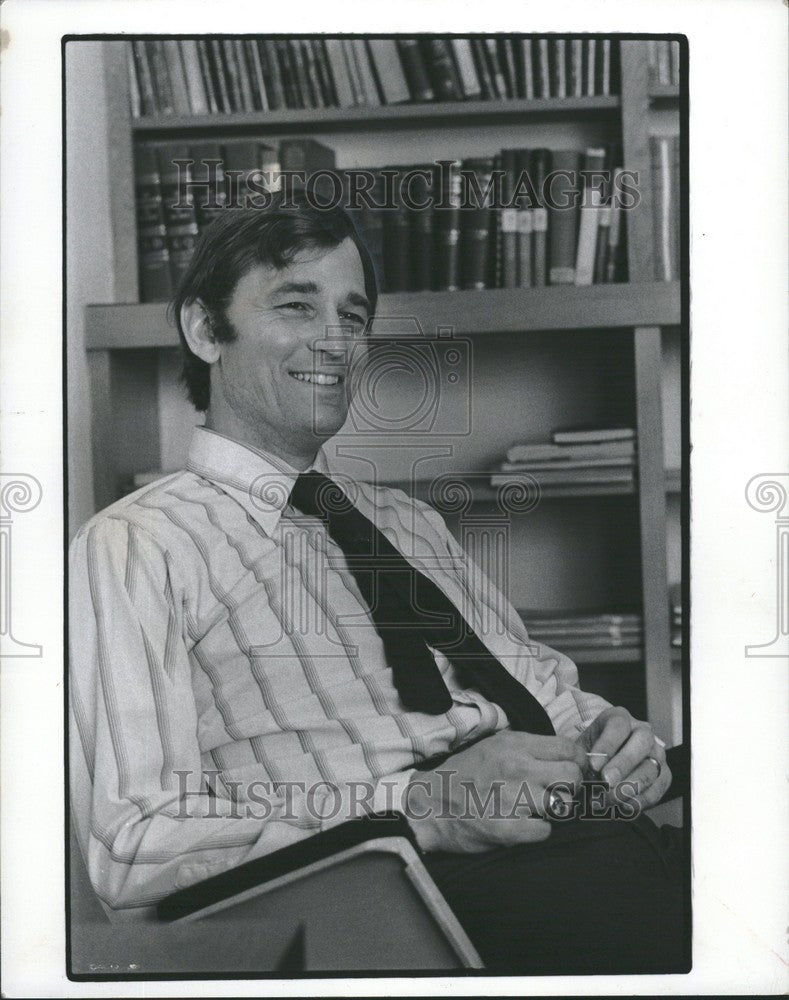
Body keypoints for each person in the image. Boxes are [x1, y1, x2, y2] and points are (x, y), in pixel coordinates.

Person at [69, 192, 686, 973]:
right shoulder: (135, 547)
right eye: (296, 305)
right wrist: (417, 810)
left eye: (353, 317)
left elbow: (544, 691)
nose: (335, 341)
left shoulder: (407, 523)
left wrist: (617, 737)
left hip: (612, 834)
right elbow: (130, 849)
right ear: (203, 330)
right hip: (430, 895)